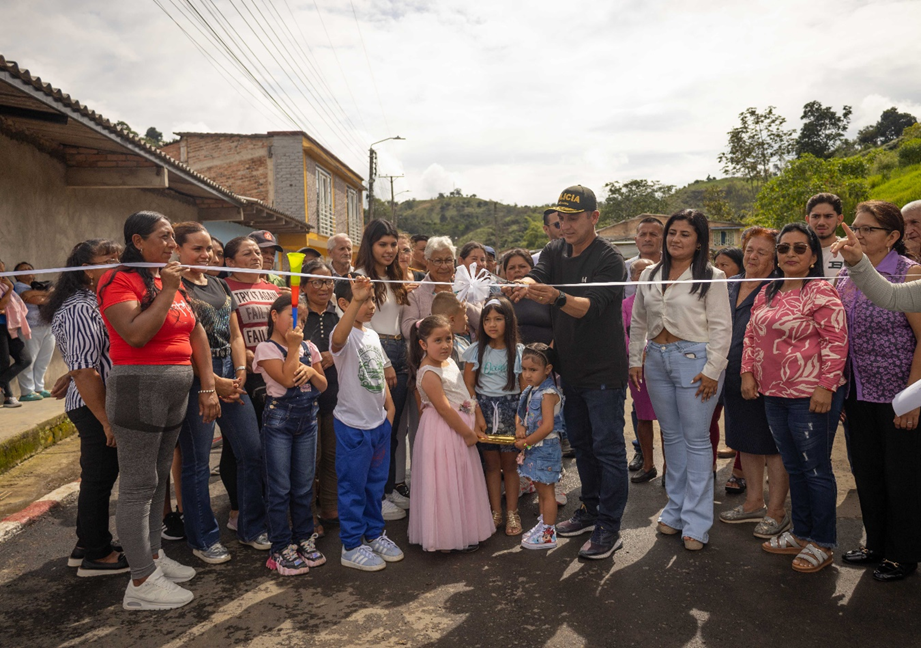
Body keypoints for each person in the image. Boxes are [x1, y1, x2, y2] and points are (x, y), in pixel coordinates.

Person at [97, 211, 220, 610]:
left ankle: (151, 556)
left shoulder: (161, 279)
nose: (171, 244)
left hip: (172, 388)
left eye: (172, 237)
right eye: (164, 237)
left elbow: (194, 329)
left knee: (158, 480)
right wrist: (167, 290)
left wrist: (207, 384)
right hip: (138, 387)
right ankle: (141, 583)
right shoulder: (118, 280)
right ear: (138, 242)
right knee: (138, 485)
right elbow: (135, 333)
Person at [507, 185, 629, 560]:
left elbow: (587, 308)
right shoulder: (556, 249)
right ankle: (590, 510)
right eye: (561, 218)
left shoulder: (610, 260)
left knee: (608, 448)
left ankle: (610, 525)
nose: (566, 225)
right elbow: (537, 273)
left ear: (594, 217)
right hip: (570, 371)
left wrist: (555, 297)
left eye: (574, 218)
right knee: (582, 443)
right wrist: (524, 284)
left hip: (604, 370)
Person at [742, 222, 847, 574]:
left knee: (815, 468)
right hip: (774, 394)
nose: (790, 254)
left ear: (814, 256)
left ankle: (823, 542)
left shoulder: (820, 291)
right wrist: (748, 372)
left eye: (799, 248)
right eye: (784, 248)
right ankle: (801, 533)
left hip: (810, 394)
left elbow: (836, 341)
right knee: (794, 466)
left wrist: (826, 386)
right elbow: (751, 336)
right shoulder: (768, 291)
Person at [629, 210, 732, 551]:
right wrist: (635, 360)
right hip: (656, 360)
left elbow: (721, 327)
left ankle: (697, 522)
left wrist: (713, 370)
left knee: (697, 440)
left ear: (699, 241)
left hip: (696, 363)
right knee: (670, 438)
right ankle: (674, 511)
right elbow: (639, 322)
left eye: (685, 234)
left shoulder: (712, 276)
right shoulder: (650, 274)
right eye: (672, 232)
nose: (675, 239)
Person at [835, 200, 921, 582]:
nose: (858, 233)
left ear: (892, 237)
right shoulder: (845, 275)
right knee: (866, 472)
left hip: (899, 394)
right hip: (858, 391)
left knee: (901, 477)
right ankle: (876, 545)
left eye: (868, 228)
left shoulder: (909, 273)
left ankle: (903, 554)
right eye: (856, 226)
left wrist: (913, 398)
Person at [173, 223, 270, 565]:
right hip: (196, 377)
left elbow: (235, 333)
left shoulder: (216, 283)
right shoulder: (173, 286)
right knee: (198, 461)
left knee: (252, 451)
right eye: (197, 249)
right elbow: (181, 343)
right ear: (178, 250)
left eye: (209, 250)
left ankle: (251, 527)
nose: (205, 255)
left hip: (232, 372)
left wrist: (240, 372)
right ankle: (203, 538)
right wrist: (211, 383)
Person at [41, 238, 126, 577]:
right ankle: (96, 554)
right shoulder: (80, 307)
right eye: (109, 258)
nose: (117, 263)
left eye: (118, 256)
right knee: (98, 479)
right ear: (87, 269)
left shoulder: (94, 300)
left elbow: (86, 359)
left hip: (97, 401)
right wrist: (106, 420)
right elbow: (86, 369)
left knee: (100, 477)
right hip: (95, 406)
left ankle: (85, 544)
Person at [717, 227, 791, 539]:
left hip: (766, 378)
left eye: (762, 252)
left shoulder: (779, 287)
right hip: (730, 377)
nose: (753, 256)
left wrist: (752, 371)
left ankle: (776, 511)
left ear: (775, 258)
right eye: (749, 250)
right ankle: (753, 502)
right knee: (744, 440)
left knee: (773, 445)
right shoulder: (727, 284)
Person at [331, 274, 402, 571]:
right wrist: (357, 300)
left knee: (375, 488)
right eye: (364, 300)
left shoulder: (371, 334)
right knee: (352, 488)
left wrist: (389, 408)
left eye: (372, 299)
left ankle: (374, 534)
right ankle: (351, 545)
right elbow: (336, 340)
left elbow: (379, 373)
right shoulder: (343, 334)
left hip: (378, 426)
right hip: (353, 428)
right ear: (345, 303)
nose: (371, 305)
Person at [254, 294, 328, 575]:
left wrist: (309, 369)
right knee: (279, 488)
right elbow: (285, 380)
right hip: (279, 423)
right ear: (274, 316)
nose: (299, 325)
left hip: (308, 421)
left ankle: (304, 540)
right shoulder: (266, 348)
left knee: (303, 486)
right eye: (293, 317)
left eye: (304, 320)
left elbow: (322, 384)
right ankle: (280, 547)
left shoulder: (310, 347)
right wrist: (295, 348)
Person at [407, 314, 493, 552]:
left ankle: (464, 529)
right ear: (423, 344)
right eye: (438, 340)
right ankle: (446, 536)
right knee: (444, 481)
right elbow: (444, 408)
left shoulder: (450, 362)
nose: (445, 345)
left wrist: (475, 419)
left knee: (461, 479)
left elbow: (463, 393)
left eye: (449, 339)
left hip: (461, 424)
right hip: (444, 431)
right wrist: (466, 433)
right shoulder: (428, 372)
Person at [223, 236, 282, 530]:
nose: (257, 257)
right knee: (241, 447)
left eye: (258, 252)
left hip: (273, 374)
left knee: (266, 442)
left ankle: (261, 503)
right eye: (248, 253)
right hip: (243, 373)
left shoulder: (272, 288)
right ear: (230, 262)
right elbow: (228, 334)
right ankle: (236, 509)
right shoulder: (225, 288)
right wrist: (245, 356)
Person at [354, 219, 410, 520]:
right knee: (377, 430)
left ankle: (386, 491)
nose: (389, 250)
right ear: (370, 245)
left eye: (393, 245)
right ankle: (373, 497)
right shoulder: (360, 278)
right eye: (382, 244)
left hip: (400, 352)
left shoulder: (394, 277)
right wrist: (384, 362)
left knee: (392, 430)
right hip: (375, 355)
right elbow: (358, 325)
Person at [463, 297, 525, 535]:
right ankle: (495, 511)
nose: (492, 324)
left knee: (510, 465)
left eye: (498, 319)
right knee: (490, 465)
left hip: (511, 411)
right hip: (484, 411)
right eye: (487, 319)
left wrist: (521, 421)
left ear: (508, 321)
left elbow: (523, 389)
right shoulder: (474, 351)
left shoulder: (518, 352)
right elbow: (468, 385)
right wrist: (478, 414)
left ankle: (512, 512)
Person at [301, 259, 340, 531]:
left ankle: (330, 508)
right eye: (317, 282)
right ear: (303, 286)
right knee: (308, 462)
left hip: (337, 395)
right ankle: (307, 517)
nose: (324, 287)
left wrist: (333, 355)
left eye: (328, 281)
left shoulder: (339, 315)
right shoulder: (297, 314)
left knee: (332, 456)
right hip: (304, 398)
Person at [515, 343, 565, 550]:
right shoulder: (531, 390)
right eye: (524, 369)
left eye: (533, 370)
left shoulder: (548, 394)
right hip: (536, 446)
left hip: (545, 448)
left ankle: (548, 533)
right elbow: (523, 414)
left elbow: (547, 426)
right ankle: (544, 524)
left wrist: (525, 442)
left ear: (548, 369)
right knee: (541, 490)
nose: (527, 374)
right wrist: (520, 427)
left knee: (547, 492)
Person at [621, 258, 658, 484]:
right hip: (637, 367)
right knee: (643, 417)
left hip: (664, 364)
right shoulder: (626, 304)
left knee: (670, 420)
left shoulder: (667, 300)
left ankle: (672, 469)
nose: (643, 276)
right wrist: (637, 356)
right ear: (632, 278)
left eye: (649, 272)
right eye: (638, 273)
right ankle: (648, 464)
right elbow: (625, 335)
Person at [402, 236, 481, 339]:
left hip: (465, 352)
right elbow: (407, 328)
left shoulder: (465, 288)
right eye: (438, 261)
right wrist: (448, 326)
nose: (444, 266)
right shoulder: (415, 293)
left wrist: (463, 304)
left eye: (448, 260)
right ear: (427, 262)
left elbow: (482, 321)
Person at [710, 247, 744, 468]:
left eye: (725, 265)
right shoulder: (710, 288)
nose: (719, 270)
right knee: (709, 416)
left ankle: (739, 471)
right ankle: (708, 465)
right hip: (713, 362)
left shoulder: (747, 289)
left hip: (739, 364)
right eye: (717, 265)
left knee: (740, 419)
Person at [13, 262, 54, 401]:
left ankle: (39, 388)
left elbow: (52, 299)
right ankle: (27, 391)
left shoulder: (36, 286)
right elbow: (35, 300)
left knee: (43, 360)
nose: (27, 271)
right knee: (30, 360)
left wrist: (39, 294)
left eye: (29, 268)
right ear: (16, 276)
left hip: (47, 326)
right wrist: (47, 294)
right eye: (23, 270)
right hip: (30, 327)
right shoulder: (18, 287)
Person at [503, 249, 552, 346]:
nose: (517, 270)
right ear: (505, 273)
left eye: (522, 266)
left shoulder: (547, 295)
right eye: (512, 268)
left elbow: (561, 328)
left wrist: (549, 352)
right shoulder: (499, 300)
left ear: (533, 270)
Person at [0, 259, 31, 408]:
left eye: (3, 271)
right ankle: (9, 397)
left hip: (10, 328)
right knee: (3, 362)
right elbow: (1, 305)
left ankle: (2, 387)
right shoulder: (7, 287)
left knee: (25, 359)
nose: (2, 275)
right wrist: (10, 288)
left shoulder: (3, 286)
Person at [805, 193, 846, 279]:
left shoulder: (848, 252)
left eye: (828, 216)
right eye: (816, 216)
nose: (821, 222)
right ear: (808, 220)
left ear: (839, 219)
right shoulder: (797, 252)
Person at [624, 217, 665, 298]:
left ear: (663, 240)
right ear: (636, 240)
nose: (647, 239)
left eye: (653, 235)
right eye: (643, 235)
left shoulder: (674, 266)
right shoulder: (624, 268)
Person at [431, 292, 470, 364]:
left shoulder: (464, 343)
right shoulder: (436, 350)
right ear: (452, 319)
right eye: (464, 314)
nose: (467, 318)